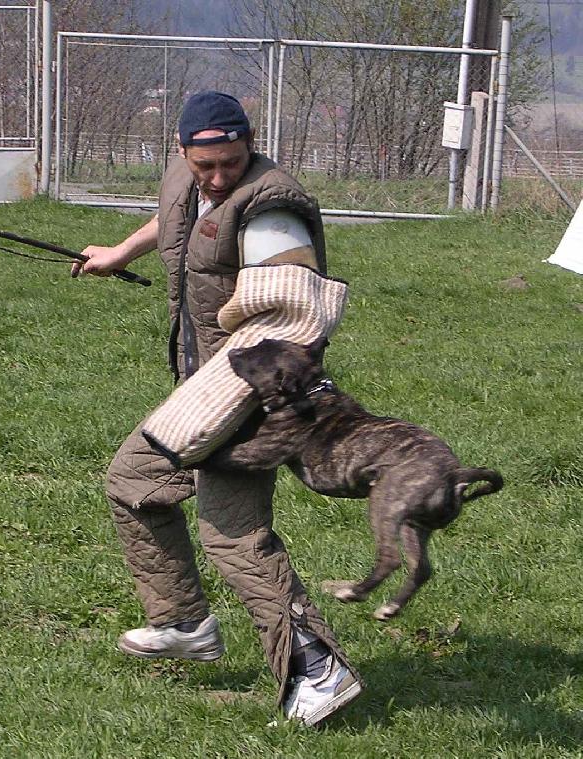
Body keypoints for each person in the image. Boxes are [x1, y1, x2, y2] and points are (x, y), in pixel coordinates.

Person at [73, 91, 362, 727]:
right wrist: (120, 253)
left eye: (231, 162)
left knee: (232, 533)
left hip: (249, 392)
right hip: (199, 383)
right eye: (206, 165)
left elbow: (291, 316)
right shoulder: (185, 176)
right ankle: (183, 623)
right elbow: (174, 218)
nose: (218, 176)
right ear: (183, 152)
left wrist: (232, 402)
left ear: (248, 145)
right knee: (133, 484)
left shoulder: (270, 208)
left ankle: (317, 670)